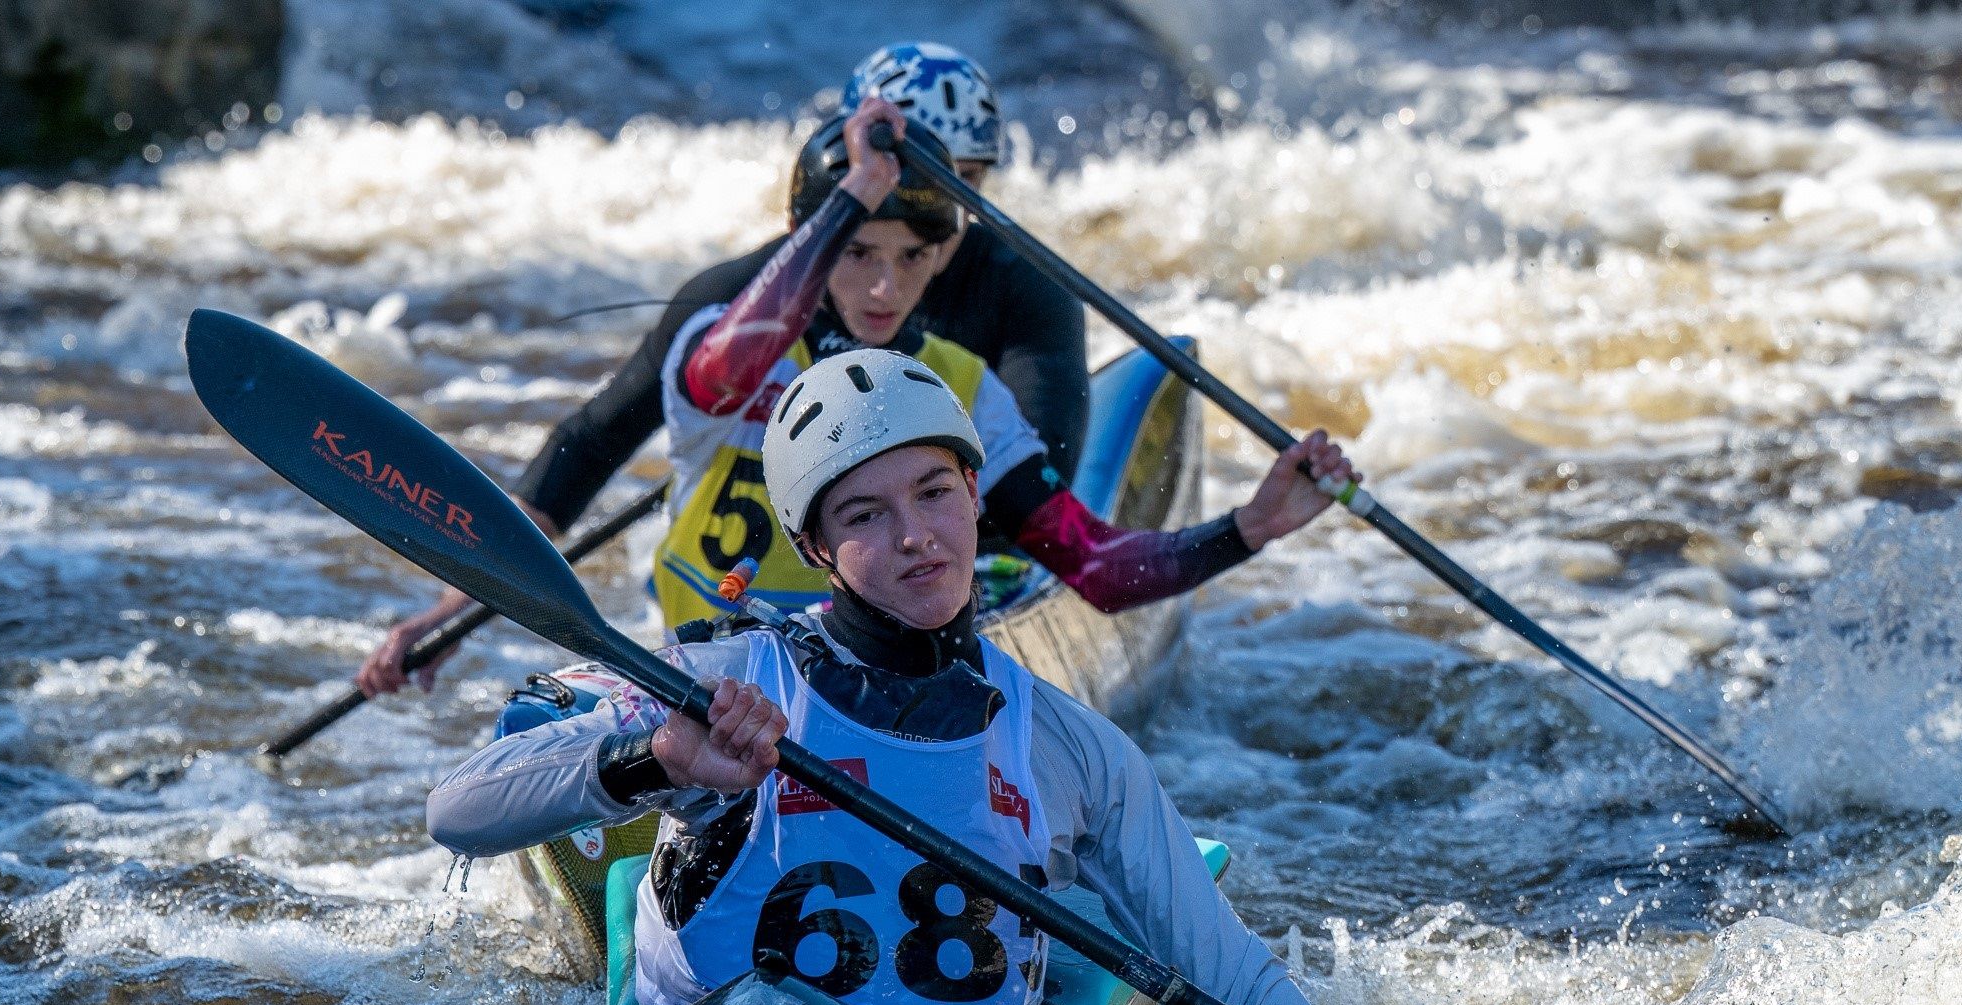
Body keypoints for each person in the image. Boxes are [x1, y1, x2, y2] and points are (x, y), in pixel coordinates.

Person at [425, 348, 1475, 1005]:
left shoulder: (1069, 751)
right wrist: (648, 758)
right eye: (865, 514)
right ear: (814, 544)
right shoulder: (725, 683)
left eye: (934, 491)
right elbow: (457, 807)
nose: (915, 534)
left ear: (977, 493)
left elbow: (1219, 970)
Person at [357, 43, 1355, 687]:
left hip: (886, 674)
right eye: (857, 248)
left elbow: (1081, 559)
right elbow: (590, 448)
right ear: (825, 202)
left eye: (919, 243)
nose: (886, 280)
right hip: (716, 671)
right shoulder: (729, 332)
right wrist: (452, 607)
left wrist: (1252, 527)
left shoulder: (980, 364)